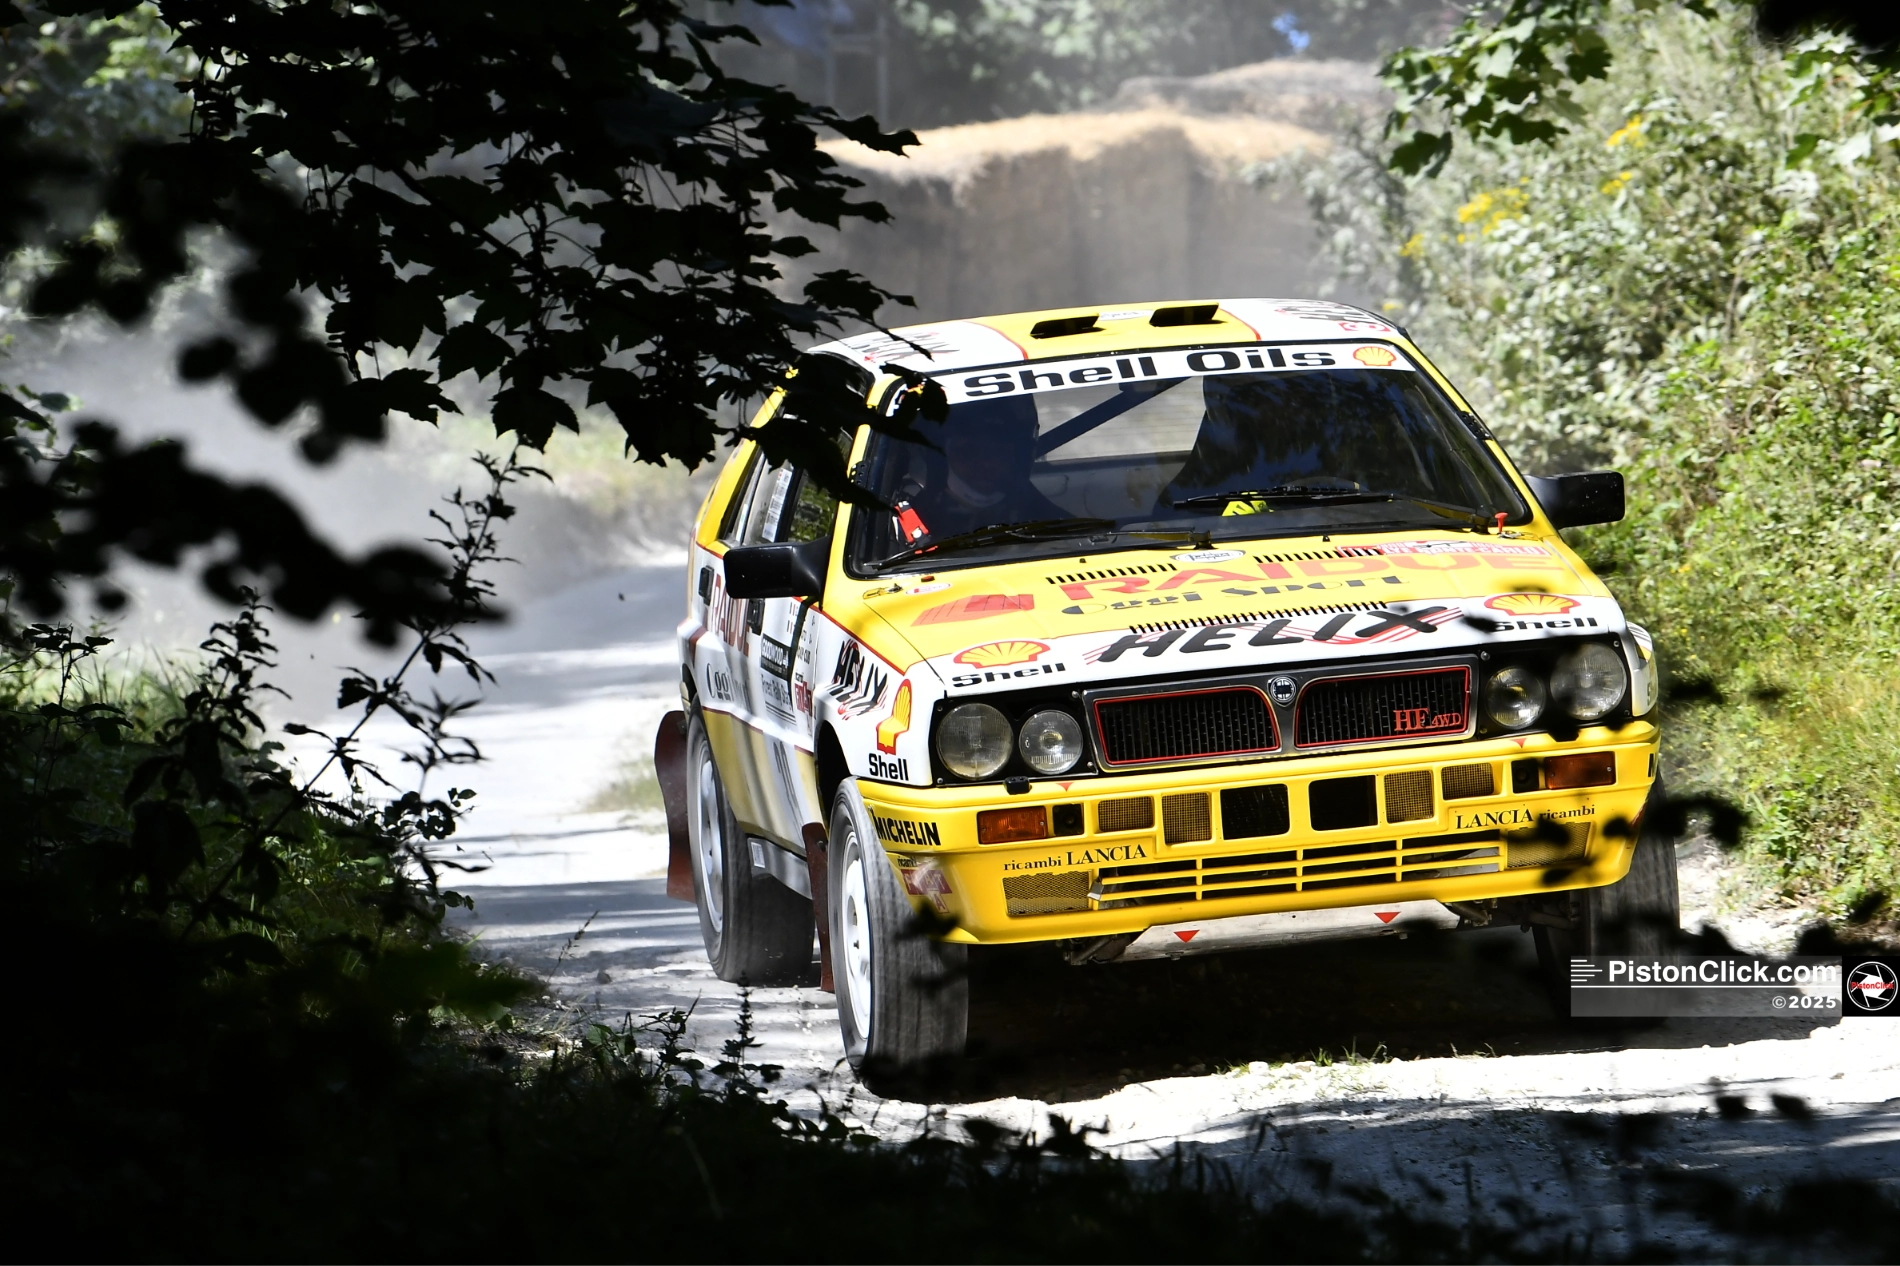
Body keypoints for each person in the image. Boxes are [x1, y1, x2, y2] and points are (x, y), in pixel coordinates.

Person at [900, 395, 1068, 539]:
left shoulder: (1051, 519)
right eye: (969, 452)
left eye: (999, 452)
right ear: (937, 460)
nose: (987, 463)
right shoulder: (893, 531)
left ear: (1020, 457)